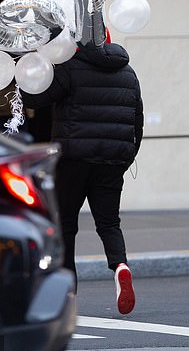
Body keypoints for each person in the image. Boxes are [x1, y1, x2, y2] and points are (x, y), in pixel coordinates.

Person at [20, 38, 143, 315]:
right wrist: (126, 157)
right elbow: (138, 120)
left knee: (65, 223)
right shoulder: (128, 72)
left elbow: (37, 98)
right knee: (109, 223)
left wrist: (23, 78)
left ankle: (70, 292)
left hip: (74, 159)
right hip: (113, 159)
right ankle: (120, 266)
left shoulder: (71, 67)